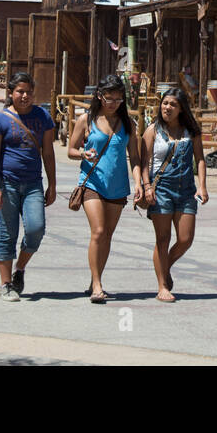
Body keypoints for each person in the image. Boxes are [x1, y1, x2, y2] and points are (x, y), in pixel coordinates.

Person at [67, 74, 142, 303]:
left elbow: (135, 157)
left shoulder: (128, 123)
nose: (113, 103)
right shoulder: (86, 119)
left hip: (117, 186)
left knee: (107, 236)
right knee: (98, 231)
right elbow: (70, 149)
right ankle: (98, 286)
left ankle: (94, 278)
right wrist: (82, 153)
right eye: (109, 98)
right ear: (99, 96)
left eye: (119, 99)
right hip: (92, 183)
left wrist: (138, 182)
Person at [0, 72, 56, 302]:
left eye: (28, 92)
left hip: (33, 183)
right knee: (8, 234)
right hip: (7, 183)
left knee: (36, 229)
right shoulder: (0, 119)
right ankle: (5, 285)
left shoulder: (42, 117)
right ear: (11, 93)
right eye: (20, 92)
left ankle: (21, 268)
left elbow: (48, 152)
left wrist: (52, 184)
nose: (25, 96)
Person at [140, 87, 208, 303]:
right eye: (165, 103)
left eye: (173, 104)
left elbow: (200, 159)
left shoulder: (191, 131)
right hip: (161, 190)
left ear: (181, 109)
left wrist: (202, 186)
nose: (167, 107)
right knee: (163, 238)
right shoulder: (153, 130)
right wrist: (147, 186)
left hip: (186, 190)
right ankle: (162, 286)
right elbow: (144, 162)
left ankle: (164, 265)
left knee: (186, 239)